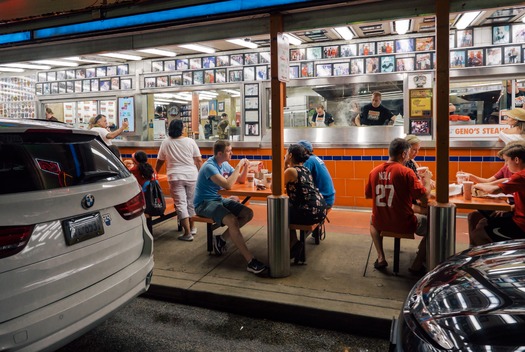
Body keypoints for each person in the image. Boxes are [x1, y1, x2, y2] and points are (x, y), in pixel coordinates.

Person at [193, 140, 267, 275]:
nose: (231, 153)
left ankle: (221, 239)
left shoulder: (224, 164)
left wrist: (245, 168)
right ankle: (250, 261)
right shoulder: (209, 167)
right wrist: (239, 165)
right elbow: (228, 185)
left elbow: (240, 180)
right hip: (203, 203)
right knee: (232, 220)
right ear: (220, 153)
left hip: (217, 200)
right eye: (229, 151)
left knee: (247, 213)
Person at [365, 138, 431, 274]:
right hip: (405, 224)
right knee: (434, 227)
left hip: (381, 222)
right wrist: (428, 180)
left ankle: (381, 257)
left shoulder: (374, 172)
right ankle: (417, 264)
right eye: (408, 153)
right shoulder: (406, 172)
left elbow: (370, 195)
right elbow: (424, 197)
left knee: (372, 221)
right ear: (403, 154)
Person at [469, 141, 525, 246]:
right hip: (516, 216)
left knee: (478, 234)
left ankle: (488, 260)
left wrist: (476, 186)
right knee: (480, 221)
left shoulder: (520, 176)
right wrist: (512, 207)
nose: (506, 165)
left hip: (521, 225)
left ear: (516, 160)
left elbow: (493, 190)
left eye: (507, 161)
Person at [156, 119, 203, 241]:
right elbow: (198, 160)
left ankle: (187, 233)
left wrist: (155, 172)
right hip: (192, 176)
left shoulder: (166, 142)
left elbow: (160, 160)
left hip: (175, 176)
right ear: (182, 129)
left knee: (181, 204)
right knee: (191, 202)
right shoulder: (190, 141)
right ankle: (192, 228)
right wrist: (202, 173)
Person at [284, 144, 327, 261]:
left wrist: (284, 164)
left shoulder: (291, 171)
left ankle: (293, 243)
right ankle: (294, 242)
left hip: (309, 212)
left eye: (286, 153)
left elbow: (275, 187)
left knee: (280, 212)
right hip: (320, 209)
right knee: (286, 208)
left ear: (290, 155)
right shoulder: (305, 169)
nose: (285, 155)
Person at [296, 140, 335, 207]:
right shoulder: (314, 158)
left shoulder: (308, 161)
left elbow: (300, 178)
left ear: (304, 151)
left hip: (323, 199)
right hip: (328, 197)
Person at [128, 151, 156, 234]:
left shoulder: (133, 170)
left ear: (135, 160)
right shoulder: (151, 168)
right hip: (151, 197)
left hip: (140, 198)